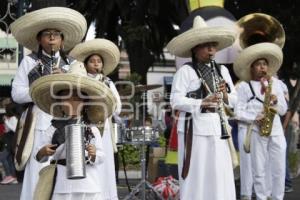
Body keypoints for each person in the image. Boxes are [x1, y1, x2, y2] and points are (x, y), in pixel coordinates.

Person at [9, 7, 87, 200]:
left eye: (56, 34)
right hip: (39, 124)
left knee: (68, 168)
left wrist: (67, 78)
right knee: (39, 168)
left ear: (62, 40)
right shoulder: (29, 62)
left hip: (69, 121)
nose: (52, 38)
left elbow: (85, 91)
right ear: (39, 39)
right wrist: (42, 87)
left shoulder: (73, 64)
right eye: (47, 34)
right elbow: (17, 94)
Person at [167, 16, 237, 199]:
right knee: (196, 174)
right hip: (194, 128)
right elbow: (175, 100)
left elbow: (235, 100)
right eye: (206, 45)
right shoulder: (185, 71)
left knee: (220, 173)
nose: (211, 49)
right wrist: (201, 102)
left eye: (213, 45)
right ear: (195, 48)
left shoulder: (223, 71)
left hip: (218, 127)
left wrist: (226, 95)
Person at [31, 61, 117, 199]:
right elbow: (37, 153)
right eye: (67, 99)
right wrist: (43, 151)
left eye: (77, 99)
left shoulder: (91, 129)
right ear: (60, 103)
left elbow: (101, 156)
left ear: (85, 103)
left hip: (89, 183)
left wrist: (94, 154)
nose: (72, 102)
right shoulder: (53, 128)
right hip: (62, 183)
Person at [234, 42, 287, 200]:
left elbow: (284, 110)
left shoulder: (276, 84)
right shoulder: (244, 86)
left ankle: (278, 197)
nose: (262, 67)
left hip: (276, 130)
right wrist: (253, 118)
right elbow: (237, 112)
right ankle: (261, 197)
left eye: (265, 64)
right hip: (257, 130)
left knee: (278, 169)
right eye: (258, 64)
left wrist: (276, 101)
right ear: (252, 67)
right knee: (259, 169)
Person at [69, 38, 121, 200]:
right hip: (85, 124)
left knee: (102, 158)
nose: (96, 64)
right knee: (86, 157)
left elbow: (117, 105)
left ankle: (106, 195)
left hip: (103, 127)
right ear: (85, 63)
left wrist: (105, 108)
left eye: (99, 61)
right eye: (92, 61)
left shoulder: (107, 82)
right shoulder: (81, 80)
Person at [0, 103, 18, 184]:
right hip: (8, 139)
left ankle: (8, 175)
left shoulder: (14, 118)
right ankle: (13, 177)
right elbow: (7, 129)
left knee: (2, 157)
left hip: (10, 140)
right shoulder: (11, 118)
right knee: (9, 159)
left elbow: (14, 129)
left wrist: (6, 121)